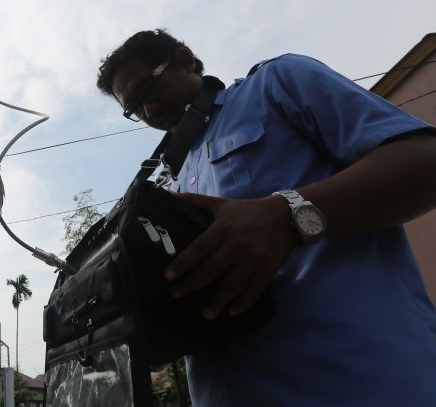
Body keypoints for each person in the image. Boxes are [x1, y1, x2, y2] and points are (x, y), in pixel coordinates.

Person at [96, 29, 436, 406]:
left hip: (362, 384)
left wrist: (287, 215)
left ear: (185, 60)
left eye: (149, 88)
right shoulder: (175, 172)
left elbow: (424, 159)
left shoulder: (277, 82)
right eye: (134, 108)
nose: (149, 110)